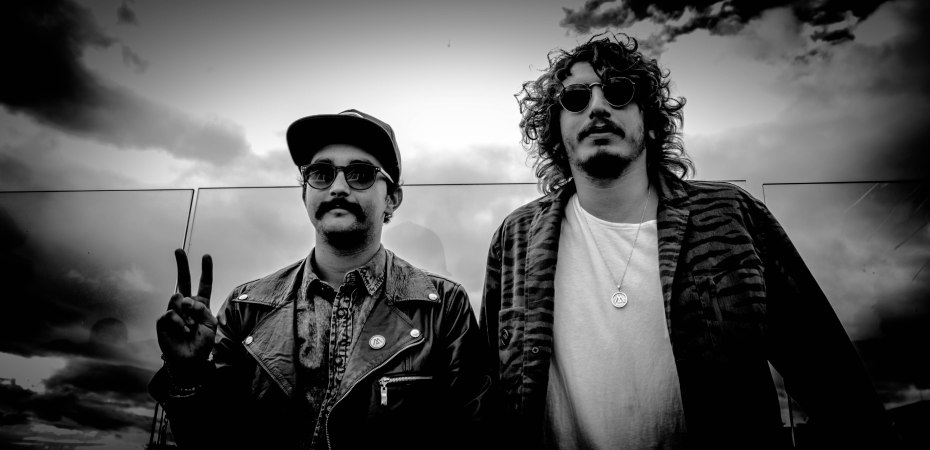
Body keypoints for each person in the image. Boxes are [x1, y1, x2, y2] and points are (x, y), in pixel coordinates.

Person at [479, 33, 896, 449]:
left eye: (619, 92)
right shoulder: (517, 238)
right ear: (556, 126)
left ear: (649, 121)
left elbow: (833, 379)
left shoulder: (731, 217)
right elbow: (490, 396)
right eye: (575, 98)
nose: (598, 107)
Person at [150, 109, 493, 449]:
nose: (338, 187)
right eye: (321, 173)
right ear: (305, 193)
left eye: (360, 174)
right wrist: (187, 375)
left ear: (392, 198)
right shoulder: (246, 308)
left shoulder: (443, 307)